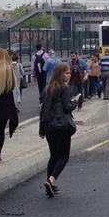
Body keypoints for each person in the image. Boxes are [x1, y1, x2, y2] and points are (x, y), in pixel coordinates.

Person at [39, 62, 77, 197]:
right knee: (63, 157)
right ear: (60, 74)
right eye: (66, 73)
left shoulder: (47, 89)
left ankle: (49, 185)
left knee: (54, 156)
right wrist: (75, 103)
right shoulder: (63, 88)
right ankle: (51, 180)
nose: (69, 75)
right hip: (61, 126)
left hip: (49, 126)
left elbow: (43, 110)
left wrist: (41, 129)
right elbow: (67, 107)